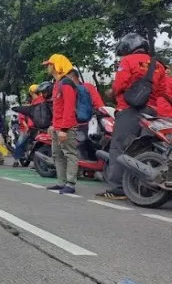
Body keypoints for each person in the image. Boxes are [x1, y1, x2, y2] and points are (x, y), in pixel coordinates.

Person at [97, 33, 166, 200]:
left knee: (119, 147)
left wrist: (114, 93)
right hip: (152, 113)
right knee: (144, 149)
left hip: (129, 110)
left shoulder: (127, 61)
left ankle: (117, 189)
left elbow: (119, 85)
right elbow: (162, 91)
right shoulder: (158, 65)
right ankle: (142, 187)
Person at [42, 54, 80, 194]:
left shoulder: (66, 83)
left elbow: (69, 108)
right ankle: (61, 181)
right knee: (57, 154)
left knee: (69, 154)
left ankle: (70, 183)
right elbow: (57, 108)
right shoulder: (57, 84)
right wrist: (53, 125)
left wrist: (64, 129)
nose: (48, 67)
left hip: (66, 127)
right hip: (57, 126)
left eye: (49, 64)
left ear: (56, 65)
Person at [12, 84, 39, 167]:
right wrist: (27, 128)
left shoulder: (38, 105)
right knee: (20, 143)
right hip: (25, 129)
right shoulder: (26, 108)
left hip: (36, 128)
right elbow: (22, 119)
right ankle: (16, 160)